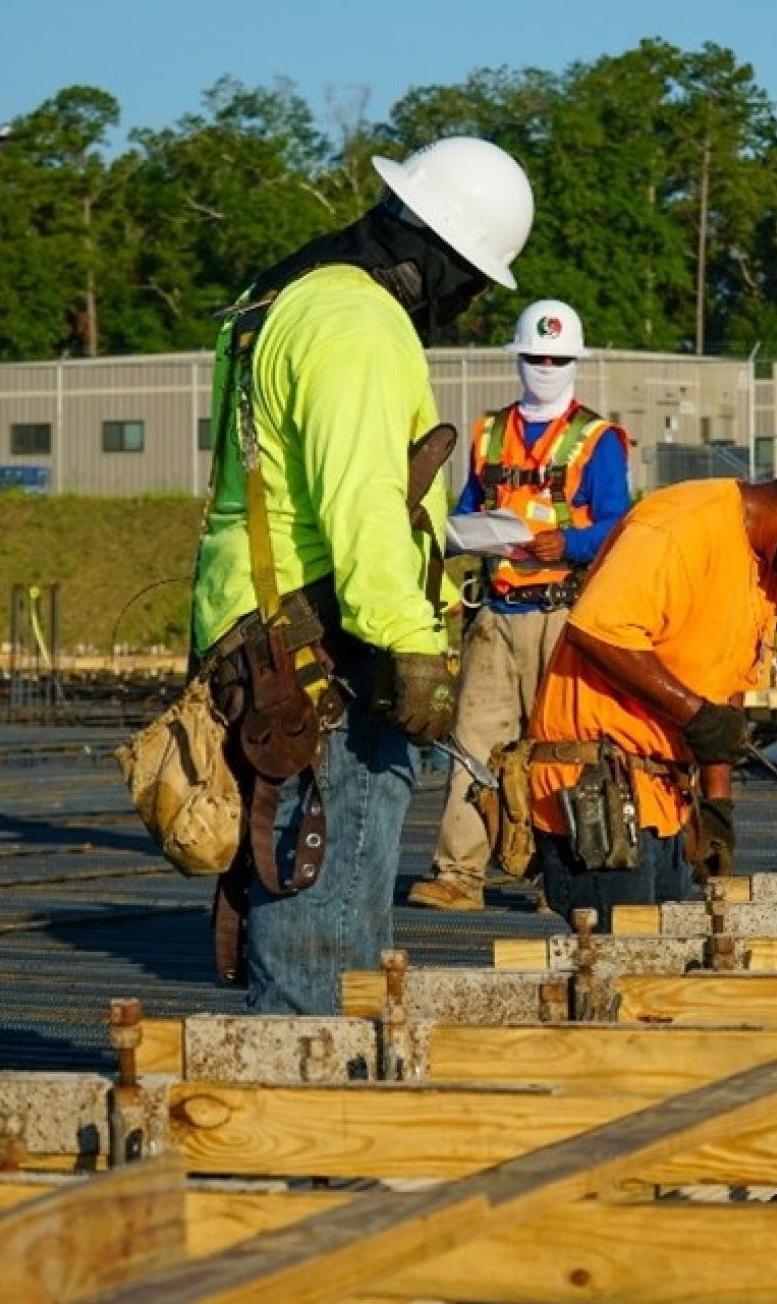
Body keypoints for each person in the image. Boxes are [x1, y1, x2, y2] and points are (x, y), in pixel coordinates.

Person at [190, 136, 535, 1014]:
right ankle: (315, 1134)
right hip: (329, 655)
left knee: (301, 914)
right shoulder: (358, 321)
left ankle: (295, 1119)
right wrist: (415, 652)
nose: (463, 305)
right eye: (469, 281)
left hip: (266, 635)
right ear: (435, 258)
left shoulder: (282, 297)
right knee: (328, 954)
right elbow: (363, 503)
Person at [525, 425, 777, 931]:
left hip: (662, 798)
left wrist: (717, 808)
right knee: (618, 975)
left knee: (661, 980)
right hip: (596, 786)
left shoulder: (765, 569)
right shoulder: (681, 525)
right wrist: (694, 715)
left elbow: (720, 702)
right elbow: (596, 631)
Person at [407, 299, 631, 911]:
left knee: (561, 746)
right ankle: (459, 876)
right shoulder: (488, 434)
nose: (546, 367)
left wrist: (574, 542)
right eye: (535, 357)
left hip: (562, 613)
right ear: (518, 359)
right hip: (496, 614)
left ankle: (560, 879)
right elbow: (462, 511)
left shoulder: (600, 441)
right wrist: (463, 533)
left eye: (558, 358)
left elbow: (619, 525)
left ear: (575, 362)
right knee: (474, 741)